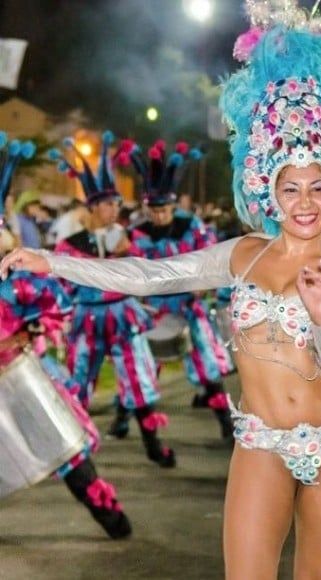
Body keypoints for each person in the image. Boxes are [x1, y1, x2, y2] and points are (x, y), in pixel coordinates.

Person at [1, 4, 321, 577]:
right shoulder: (241, 254)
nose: (304, 201)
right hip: (260, 444)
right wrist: (51, 261)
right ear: (268, 191)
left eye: (316, 187)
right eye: (290, 188)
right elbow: (151, 275)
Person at [0, 133, 131, 539]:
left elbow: (55, 303)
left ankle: (107, 512)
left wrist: (29, 332)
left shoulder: (15, 278)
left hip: (20, 374)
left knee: (66, 453)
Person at [47, 131, 177, 468]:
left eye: (118, 204)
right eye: (109, 204)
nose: (115, 209)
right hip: (86, 320)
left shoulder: (127, 239)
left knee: (138, 382)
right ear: (92, 206)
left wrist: (127, 255)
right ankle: (70, 451)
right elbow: (60, 286)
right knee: (79, 383)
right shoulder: (69, 244)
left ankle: (153, 446)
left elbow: (143, 275)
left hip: (122, 315)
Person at [121, 139, 235, 441]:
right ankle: (126, 420)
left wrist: (201, 283)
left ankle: (226, 421)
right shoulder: (138, 234)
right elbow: (136, 269)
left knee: (207, 367)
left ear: (172, 206)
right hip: (157, 309)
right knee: (143, 368)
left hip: (188, 305)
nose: (158, 216)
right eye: (153, 210)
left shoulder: (192, 225)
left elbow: (211, 258)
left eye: (163, 209)